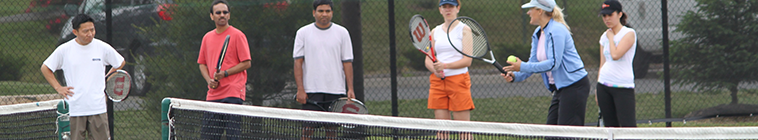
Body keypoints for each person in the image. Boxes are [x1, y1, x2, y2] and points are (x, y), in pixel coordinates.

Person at [502, 0, 591, 127]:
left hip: (574, 86)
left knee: (567, 134)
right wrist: (515, 76)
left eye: (531, 9)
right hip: (560, 89)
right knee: (550, 132)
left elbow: (554, 63)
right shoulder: (538, 33)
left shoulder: (557, 30)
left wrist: (522, 66)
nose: (528, 12)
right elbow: (532, 63)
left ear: (540, 11)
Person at [40, 14, 125, 140]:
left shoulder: (102, 47)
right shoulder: (64, 50)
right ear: (75, 32)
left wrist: (107, 77)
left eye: (92, 30)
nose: (90, 34)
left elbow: (120, 62)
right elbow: (45, 68)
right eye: (86, 31)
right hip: (75, 109)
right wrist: (58, 88)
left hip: (98, 108)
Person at [293, 0, 355, 139]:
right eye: (321, 11)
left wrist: (350, 89)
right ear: (314, 13)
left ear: (332, 13)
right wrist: (300, 89)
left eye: (327, 11)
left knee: (332, 130)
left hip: (336, 90)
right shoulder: (303, 33)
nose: (324, 14)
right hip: (311, 92)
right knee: (307, 130)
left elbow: (347, 63)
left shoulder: (342, 33)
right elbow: (298, 62)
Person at [196, 0, 251, 139]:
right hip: (213, 96)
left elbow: (246, 63)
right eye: (218, 12)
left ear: (229, 15)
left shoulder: (238, 35)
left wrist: (225, 73)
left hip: (233, 93)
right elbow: (202, 64)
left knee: (233, 136)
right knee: (208, 136)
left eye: (225, 12)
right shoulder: (207, 37)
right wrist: (209, 80)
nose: (222, 15)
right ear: (212, 16)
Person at [426, 0, 474, 139]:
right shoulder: (435, 32)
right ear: (440, 9)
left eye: (451, 7)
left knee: (463, 130)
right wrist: (435, 70)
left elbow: (467, 60)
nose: (448, 10)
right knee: (442, 130)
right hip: (438, 83)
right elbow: (428, 59)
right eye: (444, 7)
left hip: (459, 81)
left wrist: (445, 66)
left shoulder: (464, 30)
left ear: (458, 8)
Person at [596, 0, 637, 127]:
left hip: (623, 87)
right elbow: (603, 63)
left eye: (610, 15)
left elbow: (615, 55)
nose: (607, 19)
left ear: (619, 14)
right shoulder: (604, 36)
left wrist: (611, 38)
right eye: (604, 16)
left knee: (628, 127)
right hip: (604, 85)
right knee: (610, 126)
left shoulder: (629, 33)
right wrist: (598, 89)